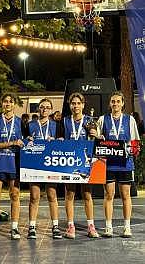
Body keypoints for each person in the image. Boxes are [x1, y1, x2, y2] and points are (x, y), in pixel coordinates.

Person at [97, 91, 140, 238]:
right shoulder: (103, 119)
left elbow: (135, 142)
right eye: (113, 101)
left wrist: (131, 152)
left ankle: (127, 227)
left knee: (125, 195)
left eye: (118, 101)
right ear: (110, 103)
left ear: (122, 103)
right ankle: (108, 226)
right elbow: (96, 139)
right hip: (108, 164)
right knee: (109, 195)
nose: (115, 104)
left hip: (125, 164)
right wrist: (99, 137)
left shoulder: (130, 120)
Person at [58, 92, 99, 239]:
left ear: (83, 105)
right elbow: (60, 139)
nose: (75, 106)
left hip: (85, 161)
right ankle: (70, 226)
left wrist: (97, 135)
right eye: (73, 103)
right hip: (69, 161)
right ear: (70, 105)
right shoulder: (64, 121)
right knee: (70, 194)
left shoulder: (89, 121)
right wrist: (60, 140)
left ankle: (90, 226)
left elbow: (96, 140)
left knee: (87, 194)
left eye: (78, 103)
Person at [0, 94, 24, 240]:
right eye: (5, 101)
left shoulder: (21, 123)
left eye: (10, 101)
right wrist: (13, 143)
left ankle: (14, 228)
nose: (7, 104)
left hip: (14, 164)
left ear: (14, 104)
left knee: (14, 195)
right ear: (2, 104)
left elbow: (26, 141)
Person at [25, 98, 61, 239]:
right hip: (34, 163)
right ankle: (32, 227)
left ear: (51, 110)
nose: (44, 109)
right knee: (34, 196)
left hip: (50, 164)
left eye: (47, 107)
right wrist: (28, 139)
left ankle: (55, 226)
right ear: (38, 109)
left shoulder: (56, 125)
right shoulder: (30, 125)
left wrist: (58, 141)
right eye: (42, 107)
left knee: (52, 195)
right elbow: (25, 140)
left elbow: (61, 142)